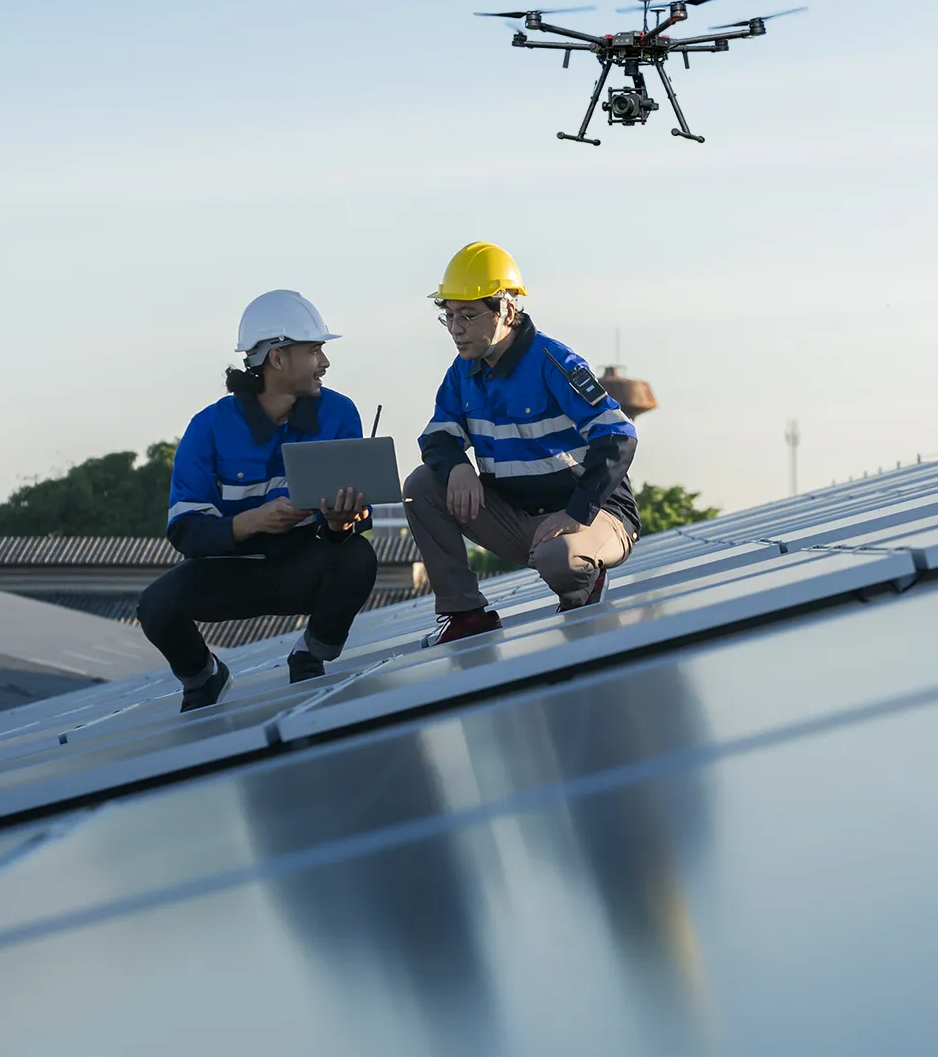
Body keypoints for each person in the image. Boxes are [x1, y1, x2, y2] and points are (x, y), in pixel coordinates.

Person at [137, 289, 379, 711]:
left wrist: (342, 524)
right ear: (278, 358)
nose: (325, 363)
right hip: (230, 574)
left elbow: (352, 524)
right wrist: (252, 522)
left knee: (358, 557)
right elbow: (186, 529)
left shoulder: (339, 413)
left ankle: (310, 656)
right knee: (155, 606)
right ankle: (203, 678)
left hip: (302, 566)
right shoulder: (208, 428)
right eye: (315, 350)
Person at [403, 242, 640, 645]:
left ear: (507, 311)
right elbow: (438, 436)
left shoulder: (554, 362)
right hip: (520, 520)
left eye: (467, 315)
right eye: (448, 317)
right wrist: (458, 466)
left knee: (560, 560)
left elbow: (619, 435)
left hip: (591, 516)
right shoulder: (462, 373)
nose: (456, 328)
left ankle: (581, 597)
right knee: (422, 486)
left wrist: (577, 511)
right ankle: (467, 615)